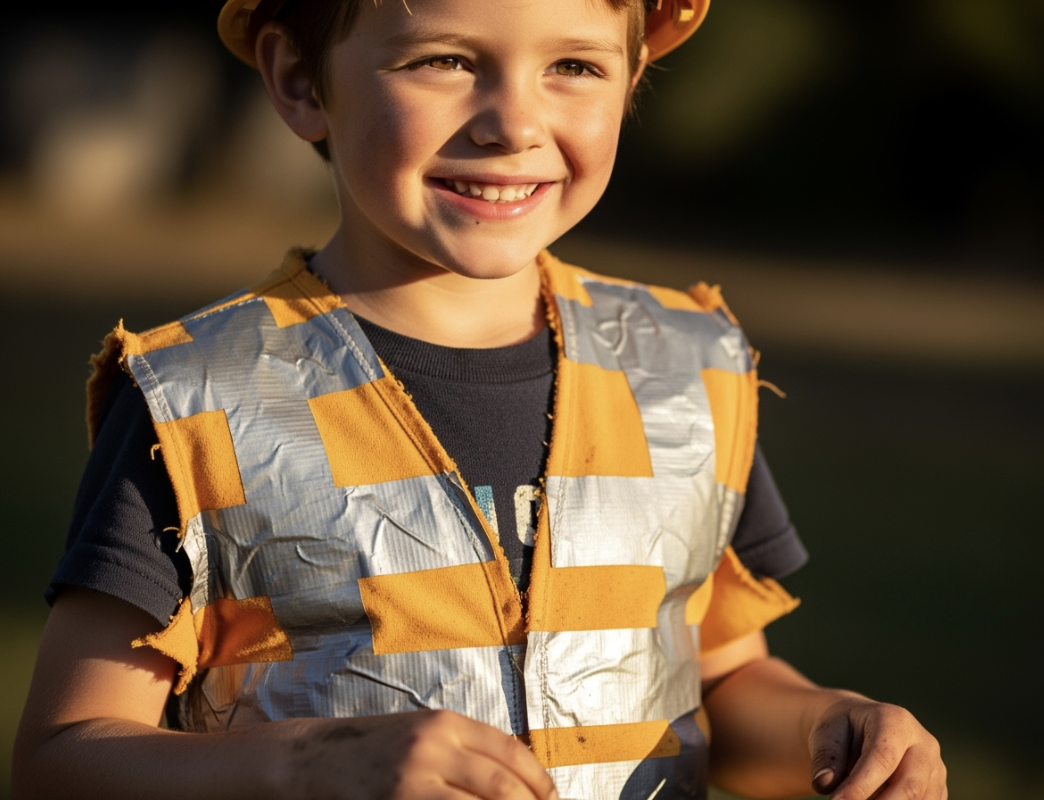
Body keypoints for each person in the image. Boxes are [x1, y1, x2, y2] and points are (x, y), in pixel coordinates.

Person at [13, 0, 947, 798]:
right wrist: (305, 766)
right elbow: (62, 758)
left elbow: (722, 677)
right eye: (447, 60)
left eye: (574, 64)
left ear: (631, 81)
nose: (512, 121)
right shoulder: (199, 401)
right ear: (299, 78)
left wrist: (833, 728)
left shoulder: (688, 373)